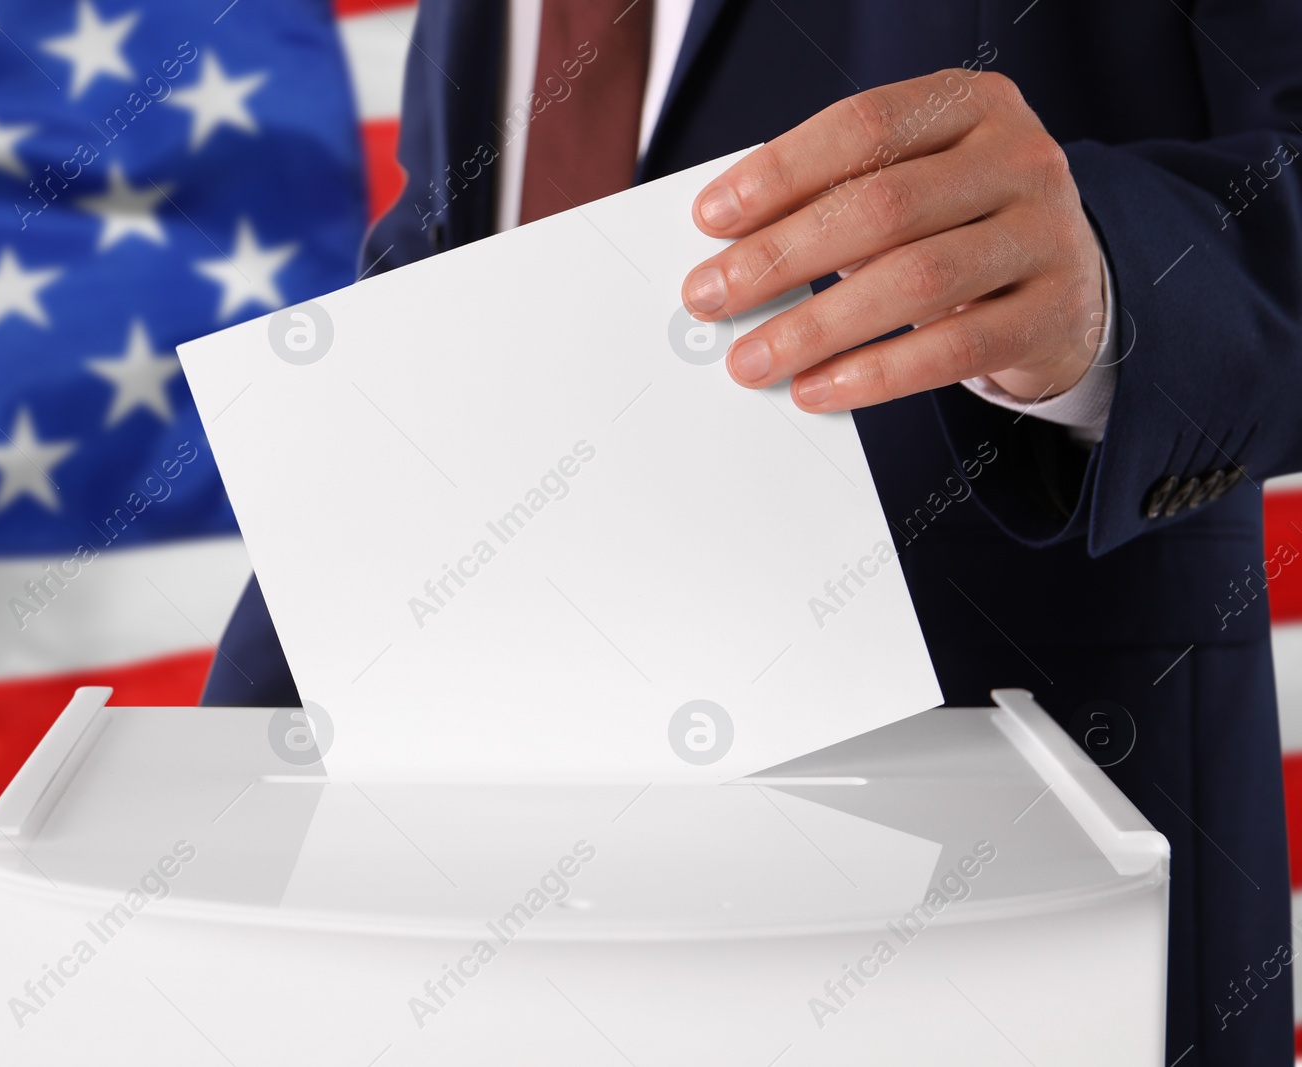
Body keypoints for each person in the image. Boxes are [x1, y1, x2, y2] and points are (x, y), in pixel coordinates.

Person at [205, 1, 1302, 1061]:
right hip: (497, 921)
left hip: (1018, 914)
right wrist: (215, 766)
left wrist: (1107, 280)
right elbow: (454, 283)